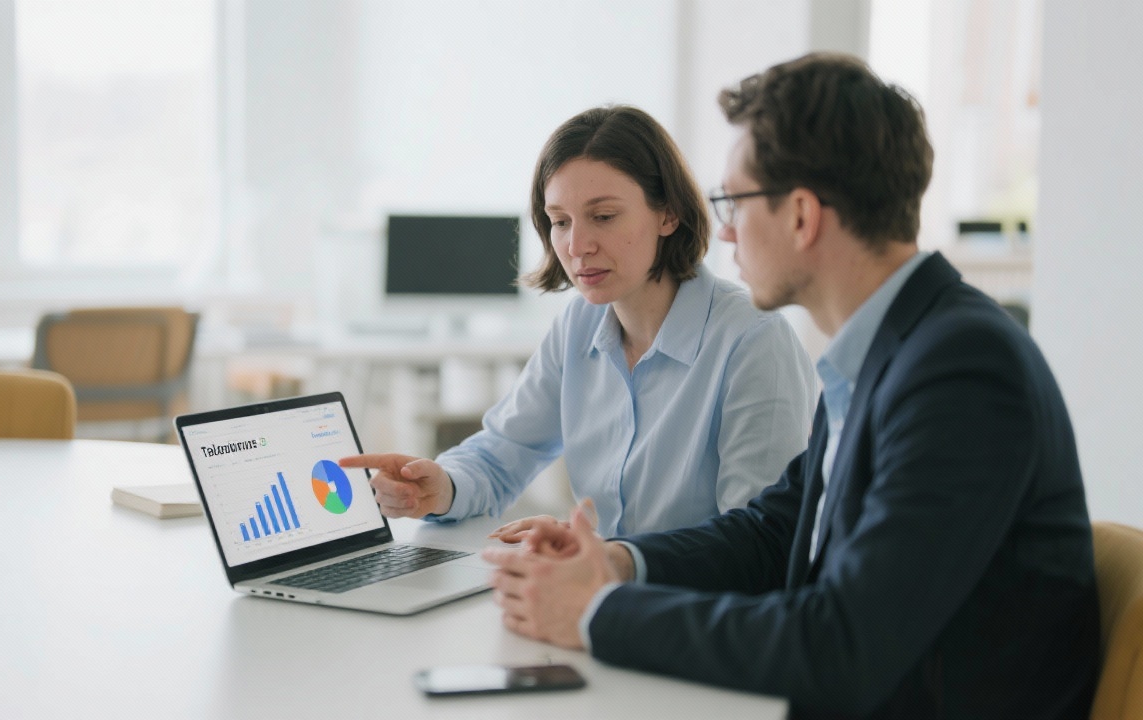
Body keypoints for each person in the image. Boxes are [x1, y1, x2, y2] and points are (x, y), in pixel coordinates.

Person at [483, 53, 1100, 719]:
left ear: (801, 216)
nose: (721, 230)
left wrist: (598, 614)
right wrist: (614, 563)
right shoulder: (891, 348)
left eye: (734, 203)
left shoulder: (962, 370)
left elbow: (843, 647)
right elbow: (774, 533)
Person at [340, 105, 815, 538]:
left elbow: (759, 542)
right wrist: (440, 486)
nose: (576, 245)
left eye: (603, 216)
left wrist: (606, 557)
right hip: (594, 599)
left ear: (668, 214)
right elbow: (505, 451)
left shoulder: (753, 339)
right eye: (560, 221)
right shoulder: (580, 326)